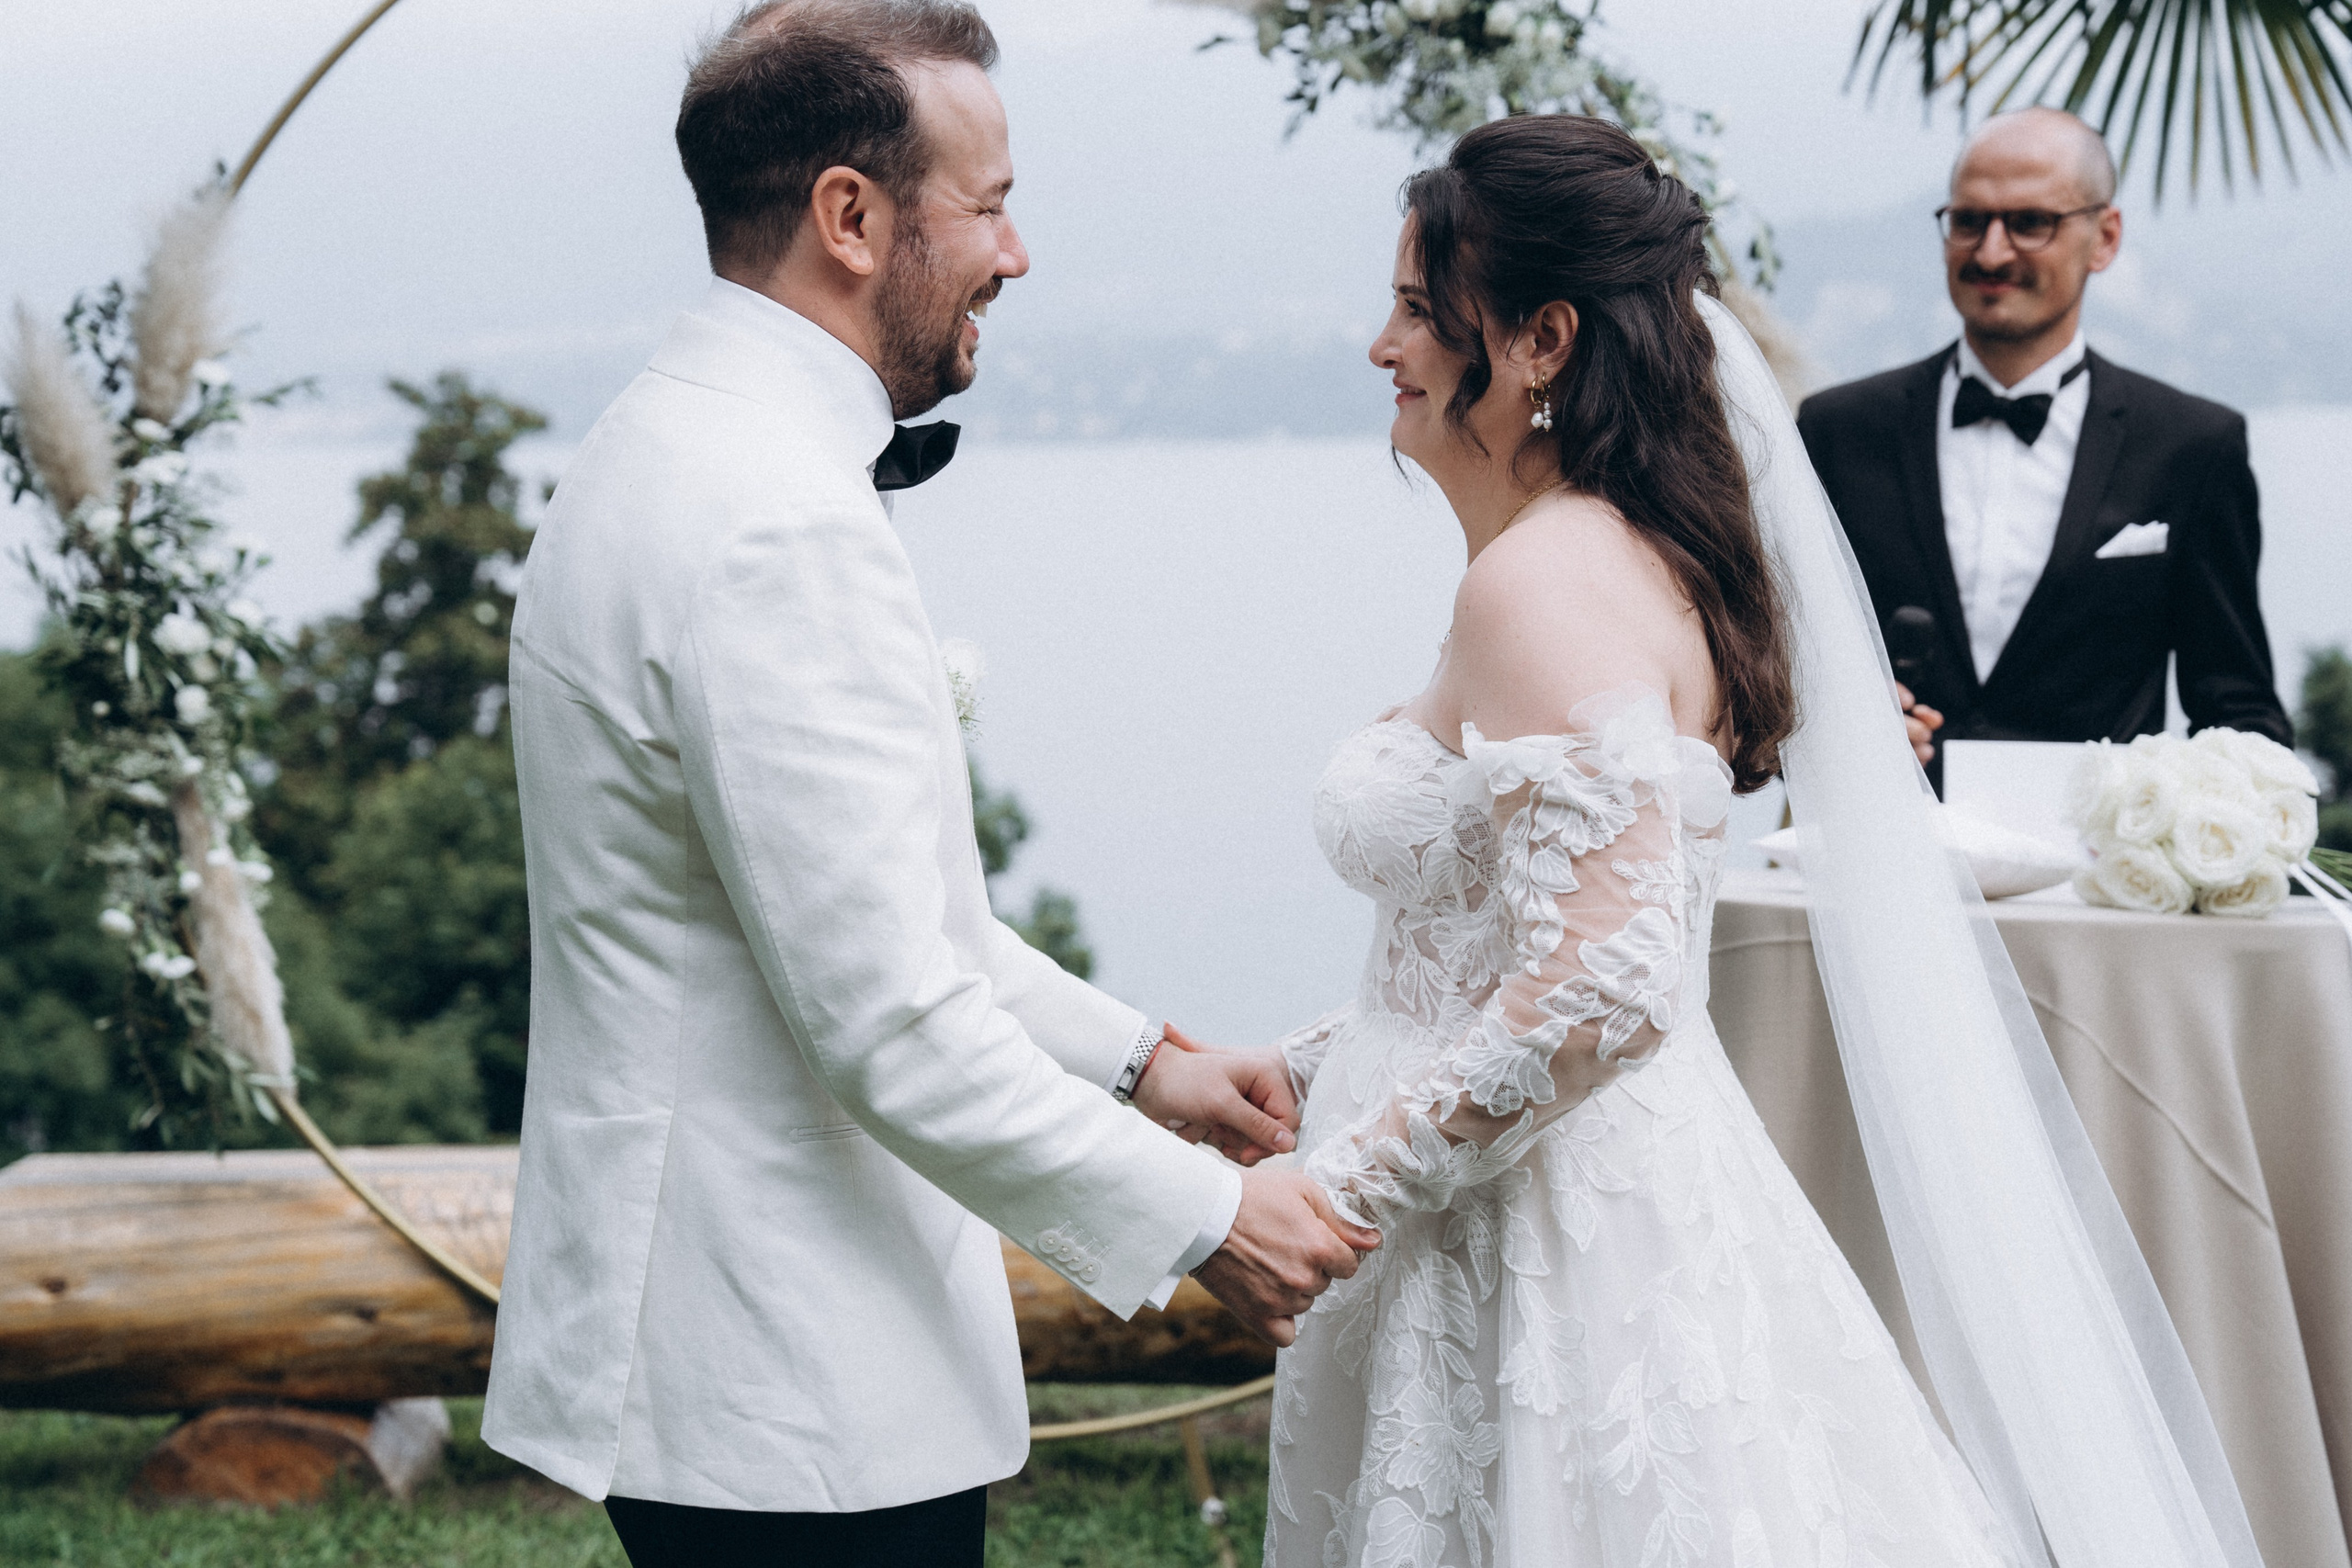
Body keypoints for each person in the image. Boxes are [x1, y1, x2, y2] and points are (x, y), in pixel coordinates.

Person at [1229, 115, 2262, 1568]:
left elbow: (1605, 985)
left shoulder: (1543, 584)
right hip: (1552, 1184)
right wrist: (1325, 1059)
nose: (1381, 342)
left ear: (1537, 340)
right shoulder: (1626, 552)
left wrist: (1334, 1190)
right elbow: (1526, 930)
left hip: (1533, 1237)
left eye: (1415, 305)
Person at [479, 6, 1373, 1565]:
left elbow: (864, 914)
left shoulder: (666, 445)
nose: (1017, 253)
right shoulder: (774, 522)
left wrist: (1141, 1062)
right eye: (991, 203)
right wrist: (1209, 1218)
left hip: (716, 1354)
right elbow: (887, 1014)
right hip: (787, 1377)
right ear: (850, 215)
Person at [1798, 108, 2291, 777]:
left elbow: (2238, 710)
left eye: (2031, 223)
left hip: (2092, 873)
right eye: (1969, 221)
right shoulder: (1837, 429)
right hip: (1885, 858)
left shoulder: (2193, 446)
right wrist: (1839, 717)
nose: (1991, 253)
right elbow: (1768, 656)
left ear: (2105, 237)